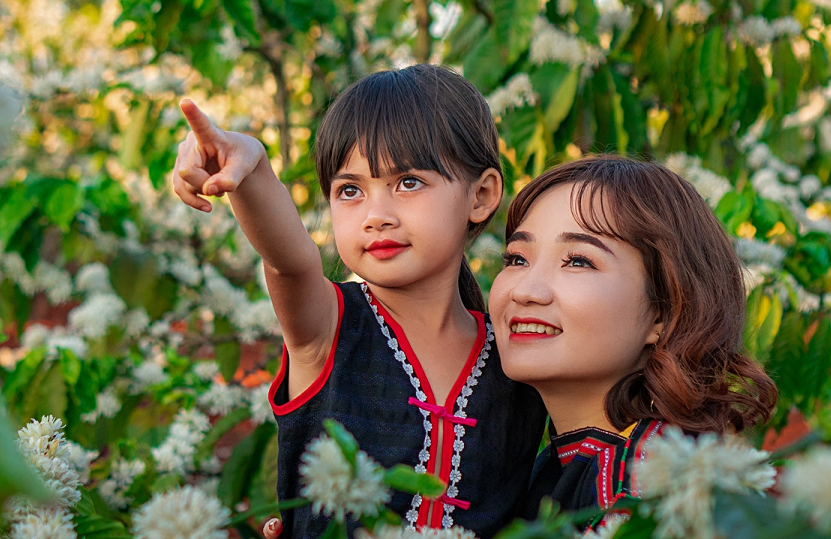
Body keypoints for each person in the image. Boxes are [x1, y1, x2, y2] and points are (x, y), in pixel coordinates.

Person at [172, 65, 547, 539]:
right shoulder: (328, 327)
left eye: (408, 182)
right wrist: (251, 170)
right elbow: (291, 263)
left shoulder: (517, 352)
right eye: (350, 190)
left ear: (482, 195)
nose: (376, 216)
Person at [487, 156, 778, 522]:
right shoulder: (568, 462)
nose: (525, 290)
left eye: (578, 261)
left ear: (664, 312)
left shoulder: (646, 491)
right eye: (516, 259)